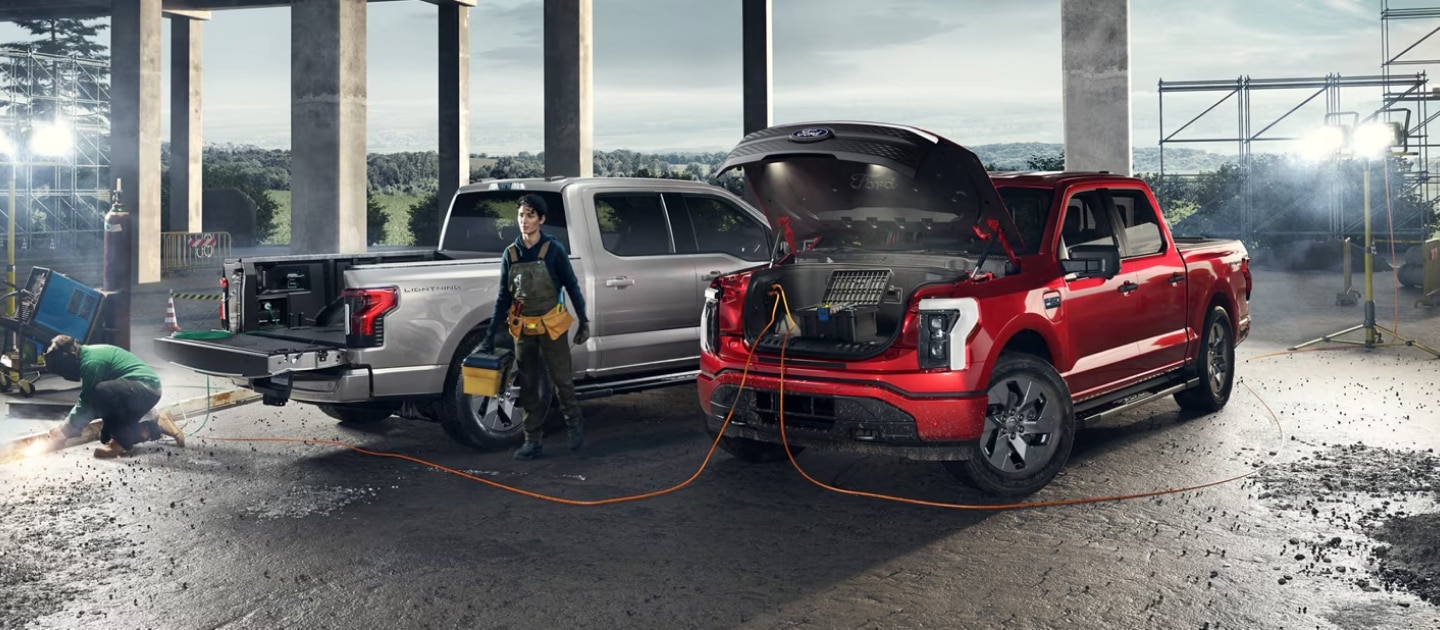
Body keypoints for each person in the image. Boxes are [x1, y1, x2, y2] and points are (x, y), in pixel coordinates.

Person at [481, 193, 590, 460]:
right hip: (523, 329)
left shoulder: (553, 251)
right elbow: (503, 297)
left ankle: (574, 423)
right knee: (528, 385)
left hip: (552, 326)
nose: (524, 220)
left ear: (541, 219)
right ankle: (533, 440)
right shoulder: (511, 254)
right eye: (521, 215)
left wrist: (583, 320)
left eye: (530, 215)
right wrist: (490, 334)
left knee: (562, 380)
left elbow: (572, 286)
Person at [41, 335, 185, 458]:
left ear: (70, 357)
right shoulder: (85, 356)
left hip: (147, 388)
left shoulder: (91, 363)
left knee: (101, 392)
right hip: (135, 391)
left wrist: (63, 430)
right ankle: (156, 425)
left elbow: (87, 402)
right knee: (105, 437)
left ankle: (119, 444)